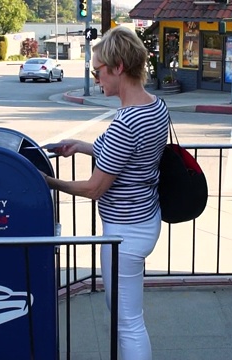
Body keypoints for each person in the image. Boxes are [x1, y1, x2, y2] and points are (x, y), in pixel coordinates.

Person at [41, 26, 170, 360]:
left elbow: (95, 188)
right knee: (123, 312)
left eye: (97, 70)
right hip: (145, 217)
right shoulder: (156, 107)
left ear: (118, 68)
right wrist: (83, 146)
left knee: (128, 322)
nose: (96, 77)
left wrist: (47, 181)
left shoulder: (126, 121)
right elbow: (129, 155)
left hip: (125, 232)